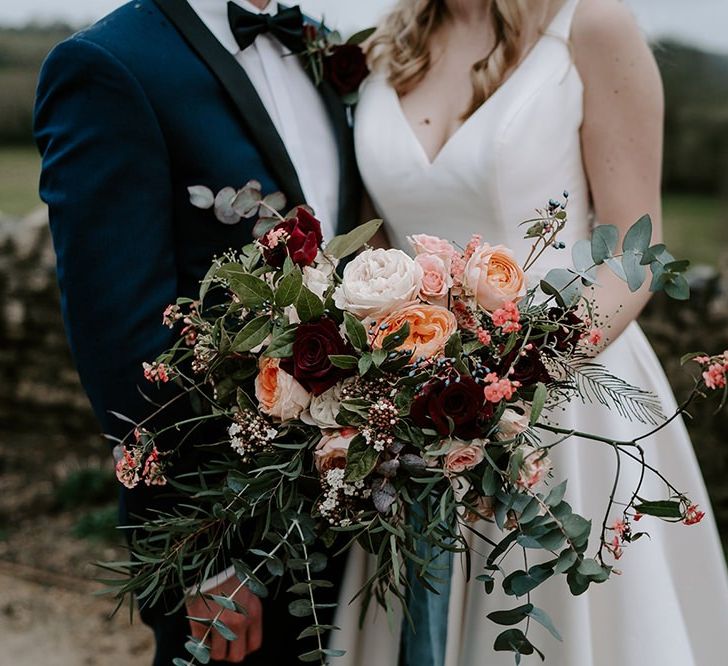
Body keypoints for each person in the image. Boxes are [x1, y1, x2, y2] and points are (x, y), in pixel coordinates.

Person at [333, 0, 728, 664]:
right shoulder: (381, 49)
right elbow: (371, 248)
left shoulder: (591, 26)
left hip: (563, 400)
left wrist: (517, 379)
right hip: (411, 413)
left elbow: (636, 251)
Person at [33, 0, 359, 663]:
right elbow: (120, 340)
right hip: (230, 532)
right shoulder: (109, 65)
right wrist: (197, 555)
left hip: (361, 507)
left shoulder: (323, 48)